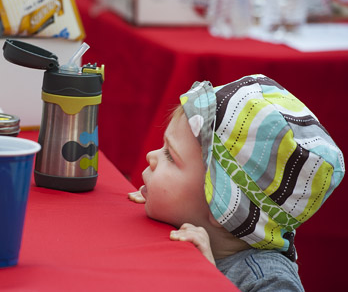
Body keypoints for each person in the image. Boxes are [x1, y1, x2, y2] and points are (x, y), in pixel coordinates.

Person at [128, 74, 344, 291]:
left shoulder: (267, 280)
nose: (151, 156)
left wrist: (208, 282)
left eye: (170, 156)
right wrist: (158, 198)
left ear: (221, 206)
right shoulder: (191, 219)